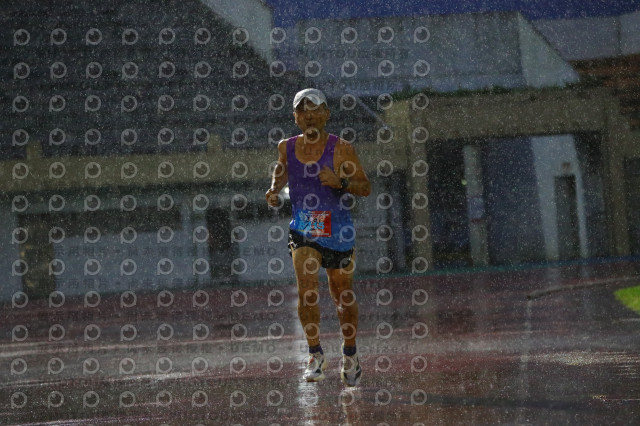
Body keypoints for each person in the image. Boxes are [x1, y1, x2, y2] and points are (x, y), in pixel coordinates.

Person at [265, 88, 371, 386]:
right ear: (295, 117)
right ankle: (315, 354)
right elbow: (281, 172)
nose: (309, 116)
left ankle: (350, 353)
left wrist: (340, 182)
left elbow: (365, 187)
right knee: (307, 288)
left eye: (315, 110)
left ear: (326, 114)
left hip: (338, 229)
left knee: (342, 294)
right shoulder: (286, 147)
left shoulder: (342, 148)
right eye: (303, 111)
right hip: (305, 225)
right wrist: (273, 190)